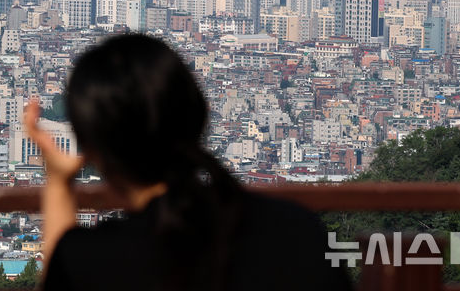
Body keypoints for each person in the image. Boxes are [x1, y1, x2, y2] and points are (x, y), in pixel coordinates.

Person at [24, 34, 351, 291]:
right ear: (198, 116)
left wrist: (58, 182)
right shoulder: (298, 230)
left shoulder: (94, 261)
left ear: (95, 152)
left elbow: (67, 271)